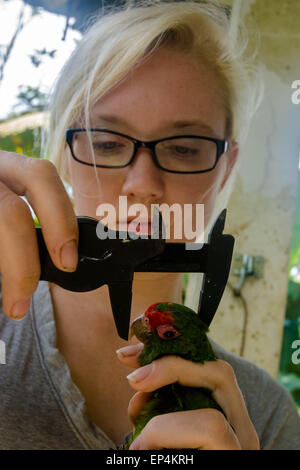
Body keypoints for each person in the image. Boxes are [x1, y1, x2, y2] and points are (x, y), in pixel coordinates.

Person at [0, 0, 299, 450]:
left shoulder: (267, 417)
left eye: (184, 148)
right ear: (63, 154)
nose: (143, 185)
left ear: (225, 165)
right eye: (106, 142)